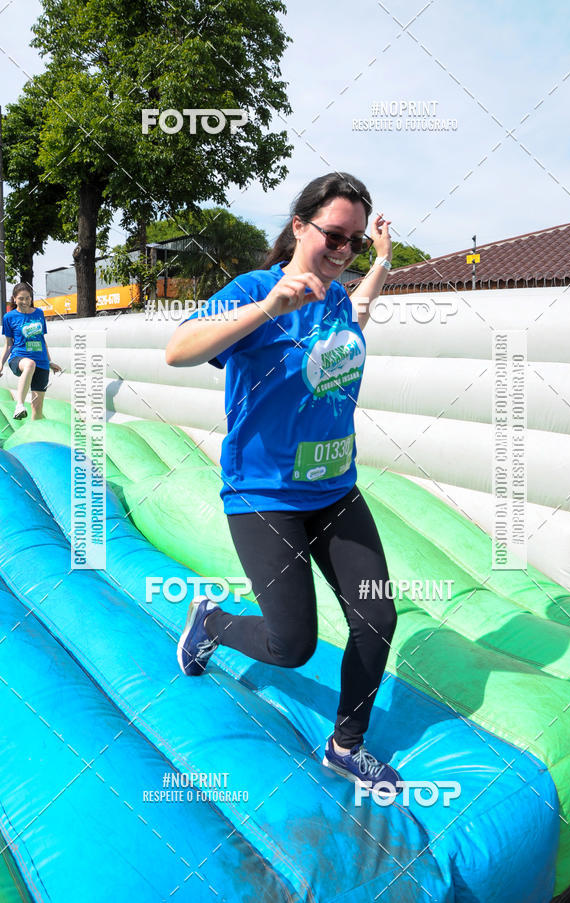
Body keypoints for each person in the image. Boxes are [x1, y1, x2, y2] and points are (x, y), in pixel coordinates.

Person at [166, 172, 400, 793]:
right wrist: (268, 308)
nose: (341, 250)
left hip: (334, 490)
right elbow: (177, 350)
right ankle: (211, 623)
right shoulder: (255, 291)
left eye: (352, 242)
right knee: (291, 645)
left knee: (377, 618)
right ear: (299, 226)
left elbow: (360, 313)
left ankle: (345, 745)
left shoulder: (338, 300)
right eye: (334, 235)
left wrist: (379, 262)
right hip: (263, 495)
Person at [0, 283, 61, 420]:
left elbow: (42, 340)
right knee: (29, 364)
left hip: (42, 362)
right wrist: (0, 363)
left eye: (28, 298)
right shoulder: (9, 318)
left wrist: (49, 361)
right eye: (21, 298)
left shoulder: (39, 313)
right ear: (14, 299)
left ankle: (36, 436)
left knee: (37, 411)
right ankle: (19, 405)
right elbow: (9, 344)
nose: (25, 302)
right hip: (18, 358)